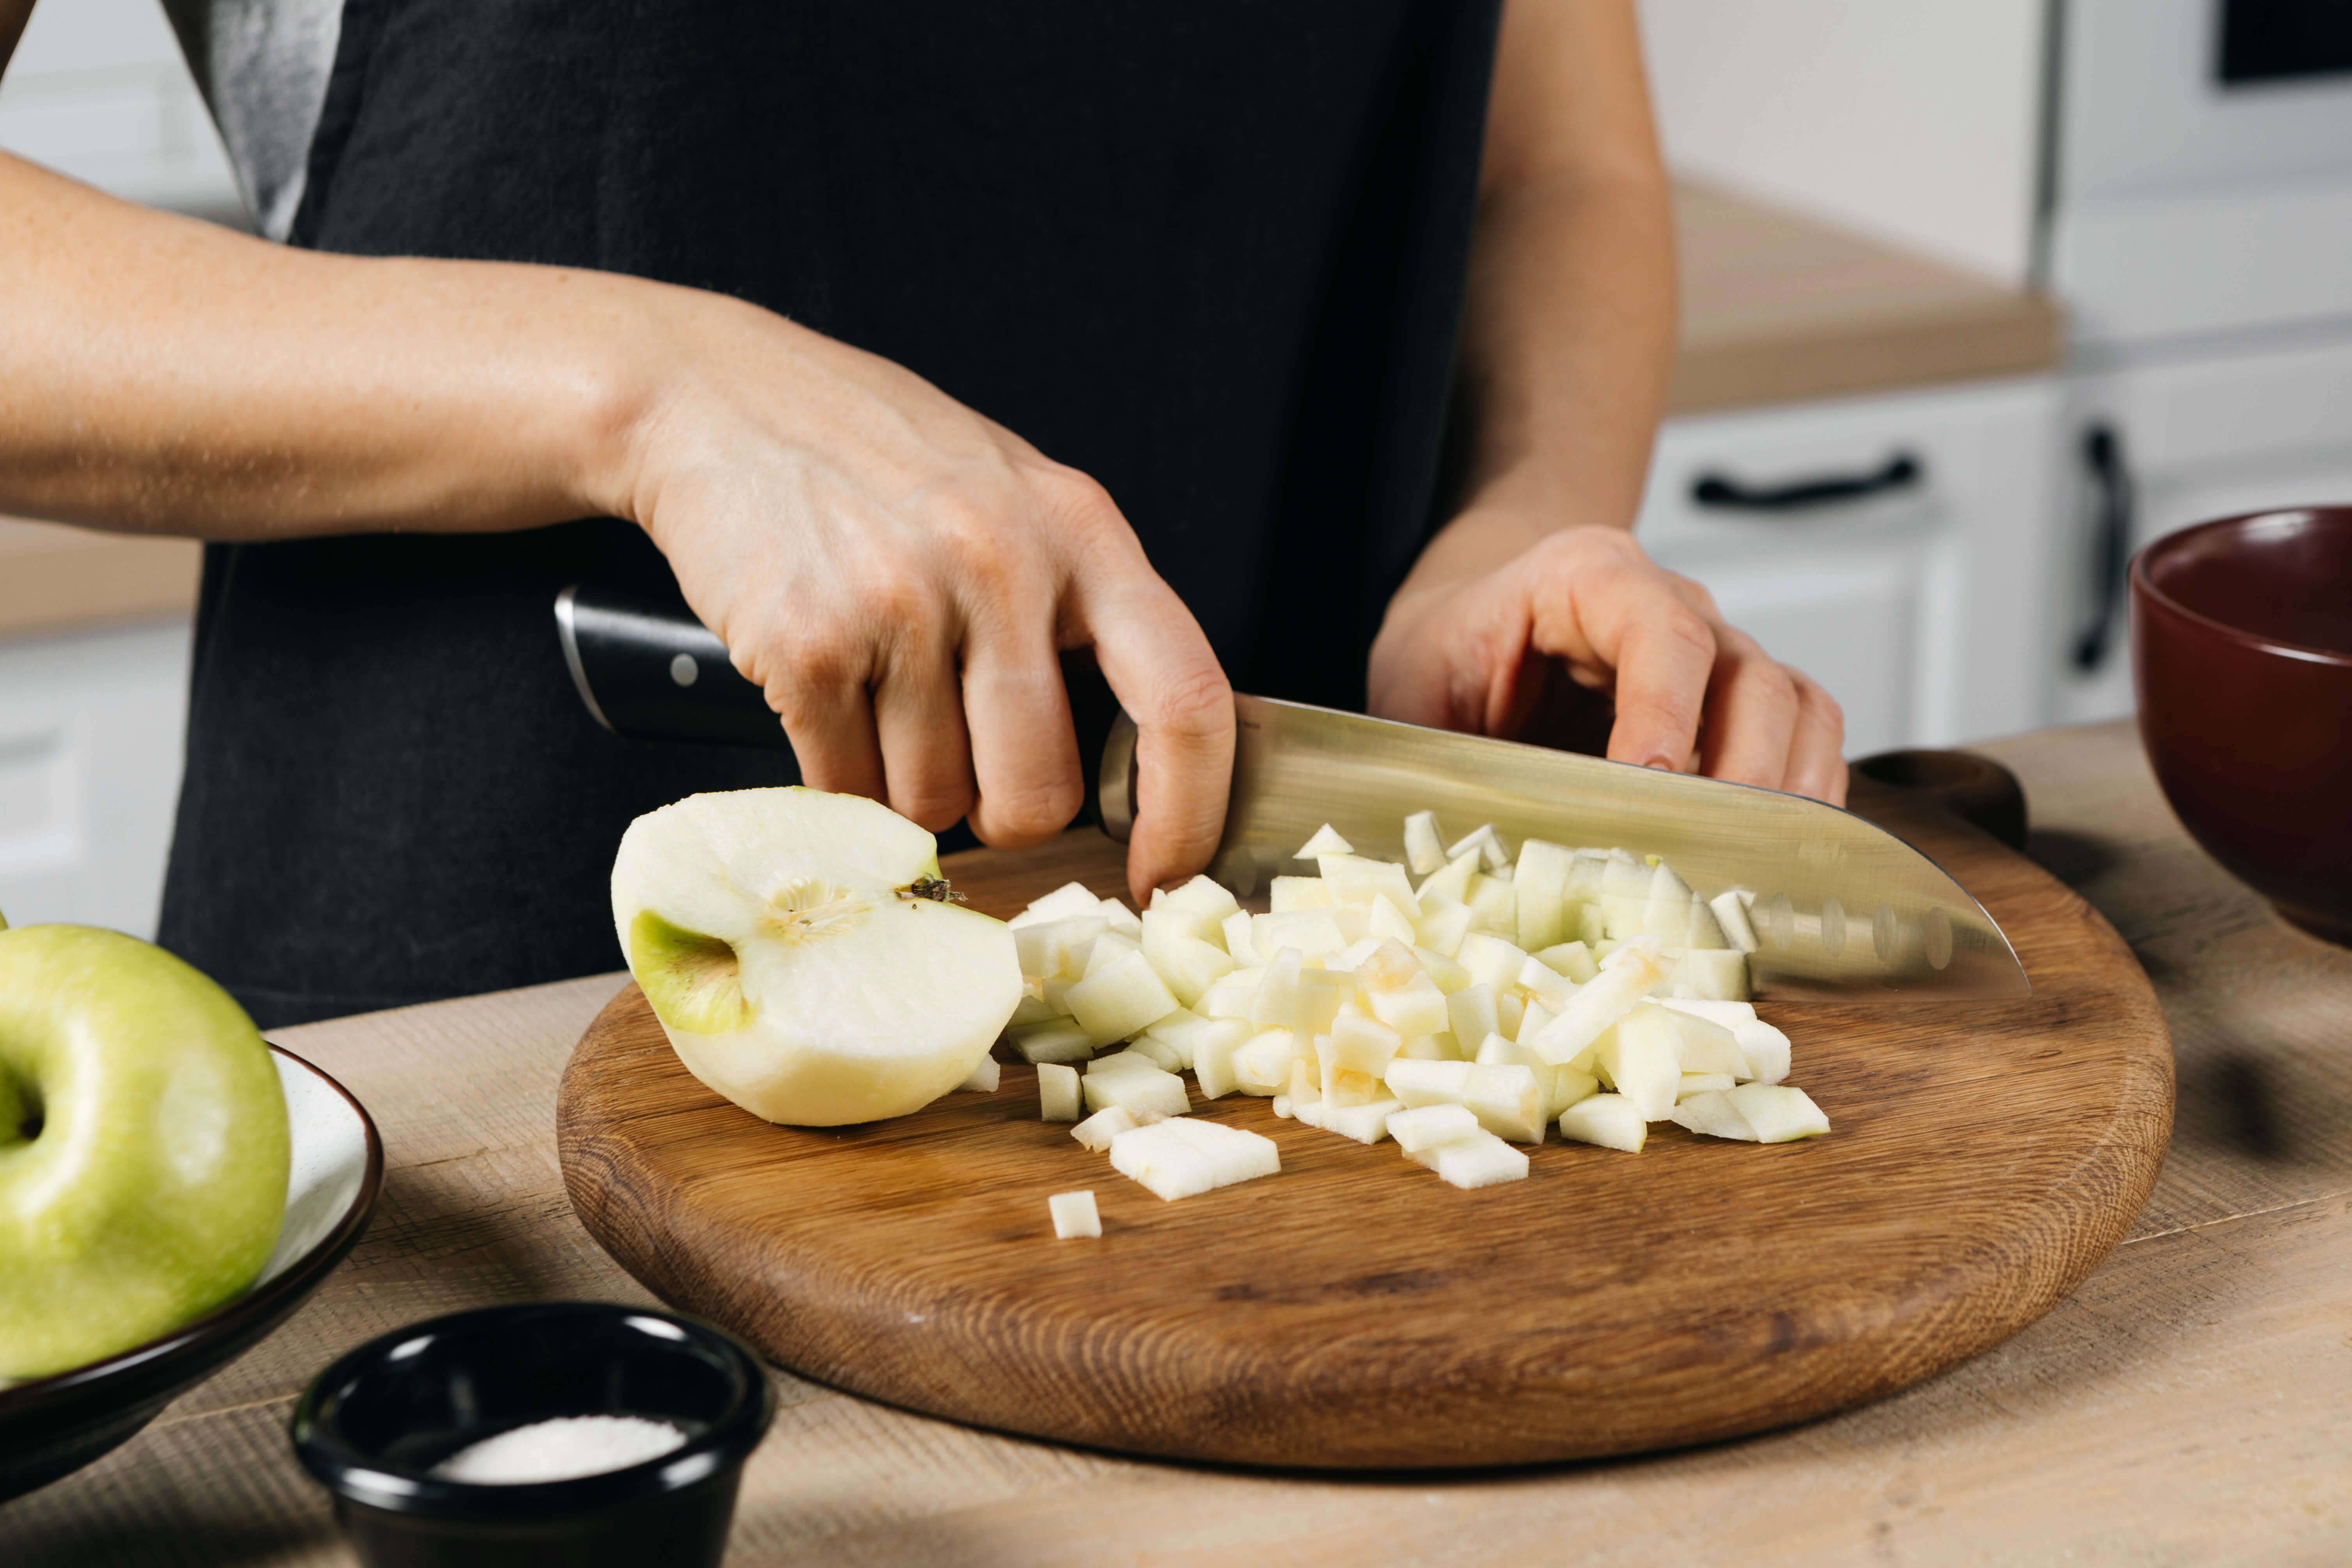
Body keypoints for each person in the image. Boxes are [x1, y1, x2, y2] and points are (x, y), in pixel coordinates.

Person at [0, 0, 1842, 1027]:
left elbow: (1556, 164)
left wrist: (1513, 524)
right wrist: (657, 392)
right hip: (489, 1051)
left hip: (1285, 1013)